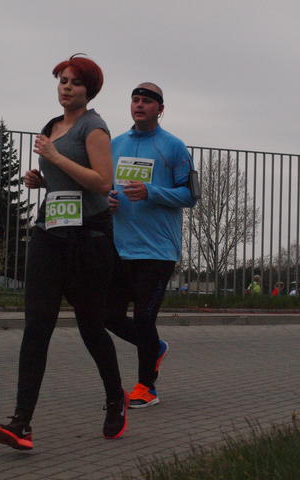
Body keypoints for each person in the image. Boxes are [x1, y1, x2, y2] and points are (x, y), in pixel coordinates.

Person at [0, 55, 128, 450]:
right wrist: (41, 178)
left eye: (75, 82)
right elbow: (63, 178)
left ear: (89, 90)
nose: (66, 87)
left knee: (90, 326)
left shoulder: (94, 128)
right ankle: (21, 422)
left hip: (89, 237)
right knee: (37, 326)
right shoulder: (51, 127)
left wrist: (55, 158)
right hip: (49, 233)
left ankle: (115, 398)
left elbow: (102, 183)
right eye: (62, 80)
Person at [105, 82, 196, 408]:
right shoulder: (116, 144)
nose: (139, 105)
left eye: (146, 101)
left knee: (144, 318)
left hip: (157, 250)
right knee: (108, 315)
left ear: (160, 109)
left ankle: (147, 387)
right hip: (120, 247)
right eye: (135, 100)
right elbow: (105, 186)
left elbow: (190, 195)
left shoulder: (173, 147)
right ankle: (154, 347)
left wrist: (151, 192)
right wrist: (106, 200)